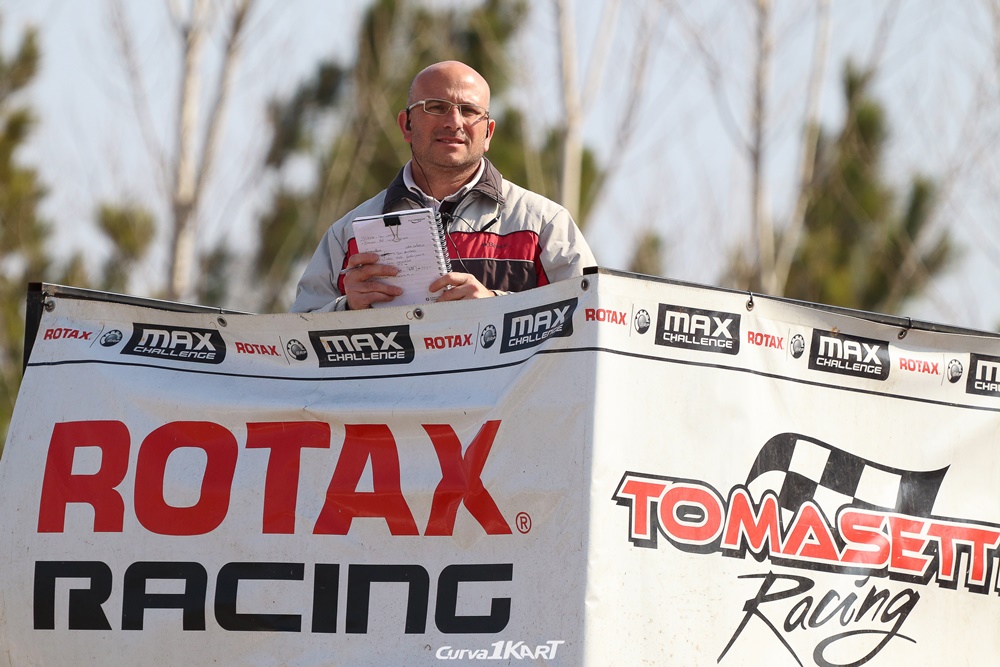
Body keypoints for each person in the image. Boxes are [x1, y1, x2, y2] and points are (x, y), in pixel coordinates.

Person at [290, 60, 596, 312]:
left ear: (488, 134)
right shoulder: (348, 234)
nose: (454, 122)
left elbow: (590, 317)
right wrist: (346, 309)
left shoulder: (545, 225)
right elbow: (296, 339)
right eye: (436, 107)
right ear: (406, 125)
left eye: (469, 110)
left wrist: (495, 306)